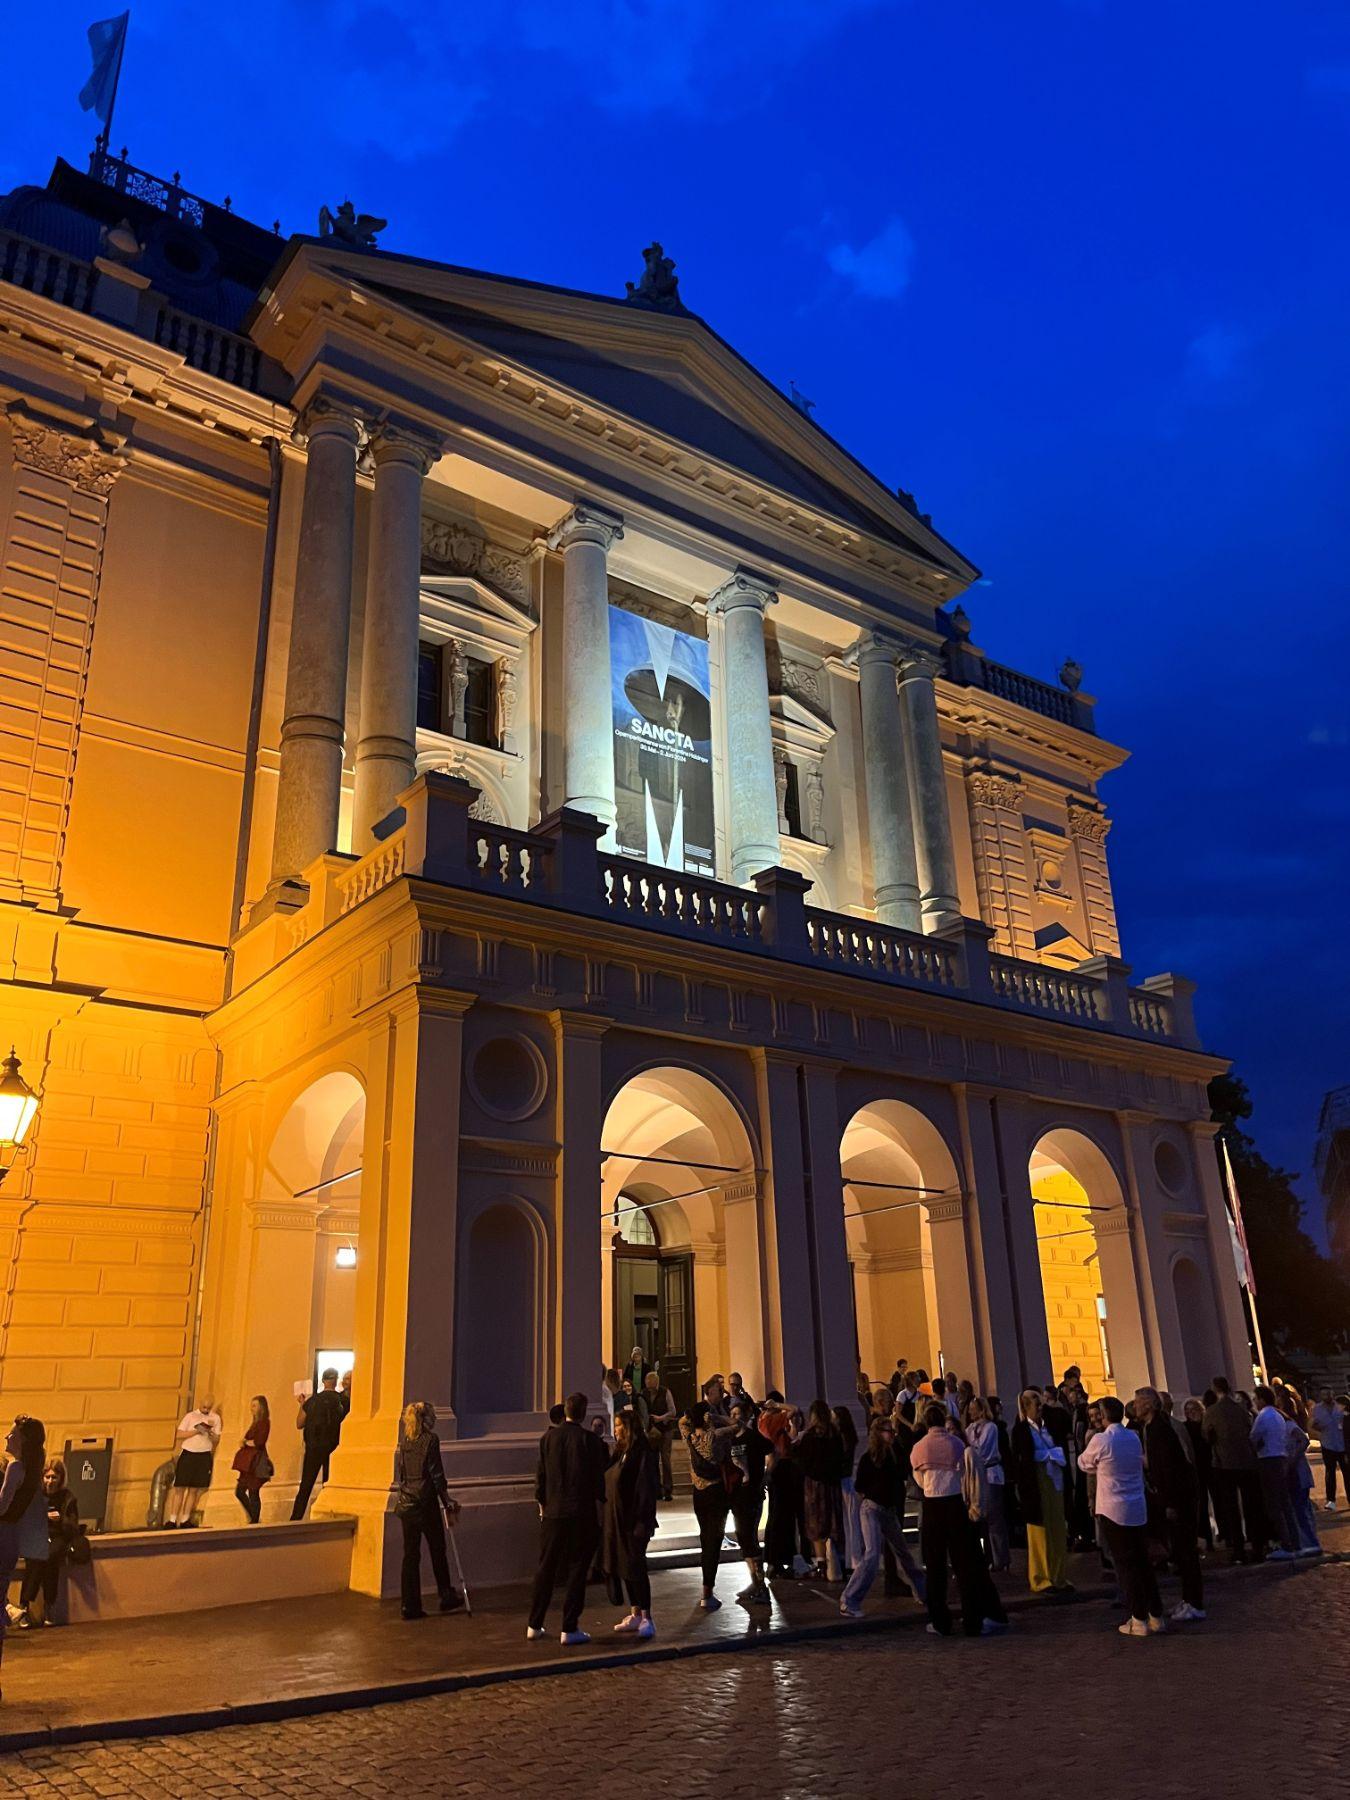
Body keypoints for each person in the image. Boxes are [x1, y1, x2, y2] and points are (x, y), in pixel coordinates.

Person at [909, 1404, 1007, 1637]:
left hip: (932, 1504)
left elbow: (919, 1479)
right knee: (965, 1565)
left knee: (935, 1566)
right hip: (955, 1504)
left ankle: (940, 1621)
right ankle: (972, 1619)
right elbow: (965, 1471)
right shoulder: (956, 1444)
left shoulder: (919, 1447)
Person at [527, 1391, 609, 1645]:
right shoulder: (589, 1441)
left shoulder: (548, 1438)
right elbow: (598, 1478)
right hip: (580, 1512)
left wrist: (542, 1502)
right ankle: (569, 1626)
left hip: (552, 1512)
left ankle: (535, 1622)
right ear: (583, 1413)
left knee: (546, 1568)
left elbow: (540, 1476)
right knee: (576, 1570)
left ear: (565, 1411)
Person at [1079, 1396, 1164, 1637]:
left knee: (1126, 1566)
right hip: (1137, 1507)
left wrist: (1100, 1466)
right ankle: (1156, 1614)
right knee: (1143, 1563)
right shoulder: (1133, 1437)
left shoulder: (1101, 1439)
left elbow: (1084, 1462)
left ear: (1104, 1416)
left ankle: (1138, 1618)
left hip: (1113, 1510)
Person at [839, 1417, 925, 1618]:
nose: (892, 1434)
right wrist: (873, 1494)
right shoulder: (870, 1457)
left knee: (904, 1553)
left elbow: (904, 1471)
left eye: (892, 1431)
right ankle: (849, 1600)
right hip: (873, 1507)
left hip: (889, 1509)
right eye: (888, 1431)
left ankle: (923, 1593)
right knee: (872, 1554)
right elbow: (860, 1485)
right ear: (878, 1433)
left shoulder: (896, 1454)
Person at [1134, 1387, 1204, 1621]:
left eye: (1138, 1402)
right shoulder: (1153, 1428)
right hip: (1174, 1496)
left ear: (1149, 1405)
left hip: (1178, 1498)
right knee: (1181, 1552)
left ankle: (1195, 1602)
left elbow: (1170, 1469)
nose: (1135, 1406)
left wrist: (1170, 1502)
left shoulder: (1160, 1430)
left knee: (1186, 1551)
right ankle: (1188, 1599)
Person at [394, 1400, 463, 1621]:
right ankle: (445, 1594)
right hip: (425, 1502)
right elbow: (436, 1474)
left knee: (410, 1555)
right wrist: (447, 1499)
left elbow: (402, 1474)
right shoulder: (430, 1441)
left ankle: (409, 1604)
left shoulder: (405, 1442)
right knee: (437, 1549)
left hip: (407, 1503)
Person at [0, 1416, 48, 1696]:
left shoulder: (17, 1467)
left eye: (13, 1434)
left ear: (23, 1441)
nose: (7, 1437)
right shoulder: (29, 1469)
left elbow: (3, 1505)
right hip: (10, 1538)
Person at [603, 1410, 660, 1637]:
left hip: (634, 1520)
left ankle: (647, 1616)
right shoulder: (620, 1452)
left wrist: (641, 1520)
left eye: (618, 1425)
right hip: (618, 1520)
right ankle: (635, 1612)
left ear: (628, 1428)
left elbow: (645, 1488)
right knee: (625, 1567)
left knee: (636, 1567)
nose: (615, 1429)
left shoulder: (641, 1452)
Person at [1010, 1388, 1071, 1594]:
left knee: (1057, 1529)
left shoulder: (1049, 1426)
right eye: (1035, 1404)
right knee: (1039, 1532)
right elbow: (1021, 1459)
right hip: (1035, 1485)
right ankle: (1041, 1578)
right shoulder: (1021, 1430)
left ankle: (1058, 1576)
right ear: (1026, 1407)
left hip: (1054, 1482)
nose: (1039, 1407)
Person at [1202, 1376, 1267, 1562]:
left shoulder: (1213, 1411)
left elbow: (1206, 1435)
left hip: (1225, 1464)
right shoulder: (1242, 1409)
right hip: (1247, 1462)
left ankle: (1238, 1548)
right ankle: (1257, 1546)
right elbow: (1250, 1431)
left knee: (1232, 1509)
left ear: (1215, 1389)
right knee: (1251, 1507)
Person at [8, 1457, 77, 1630]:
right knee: (39, 1557)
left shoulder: (67, 1498)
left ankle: (26, 1606)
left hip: (57, 1537)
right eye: (47, 1477)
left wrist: (61, 1520)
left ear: (61, 1478)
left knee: (47, 1556)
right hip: (37, 1535)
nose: (50, 1481)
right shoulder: (35, 1496)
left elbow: (72, 1527)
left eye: (54, 1477)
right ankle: (39, 1606)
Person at [794, 1401, 846, 1580]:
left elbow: (802, 1461)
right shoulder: (835, 1435)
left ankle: (822, 1563)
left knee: (816, 1524)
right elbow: (841, 1458)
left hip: (814, 1485)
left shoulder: (809, 1437)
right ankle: (834, 1561)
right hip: (832, 1483)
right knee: (831, 1522)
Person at [759, 1393, 805, 1578]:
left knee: (777, 1516)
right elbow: (794, 1409)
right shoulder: (774, 1420)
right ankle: (780, 1560)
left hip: (775, 1470)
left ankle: (774, 1561)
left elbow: (791, 1434)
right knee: (783, 1517)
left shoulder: (762, 1421)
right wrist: (779, 1405)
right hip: (783, 1468)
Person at [291, 1369, 346, 1521]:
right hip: (333, 1448)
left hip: (313, 1447)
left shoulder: (312, 1401)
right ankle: (329, 1515)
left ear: (323, 1381)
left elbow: (299, 1423)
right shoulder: (341, 1400)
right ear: (336, 1380)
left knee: (306, 1485)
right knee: (329, 1484)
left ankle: (295, 1518)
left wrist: (302, 1404)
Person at [1251, 1385, 1298, 1560]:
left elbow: (1253, 1438)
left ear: (1262, 1399)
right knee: (1285, 1504)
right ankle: (1294, 1541)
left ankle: (1286, 1544)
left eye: (1256, 1399)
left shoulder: (1263, 1416)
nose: (1255, 1402)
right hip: (1280, 1458)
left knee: (1275, 1505)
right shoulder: (1278, 1415)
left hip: (1269, 1460)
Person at [1274, 1391, 1321, 1557]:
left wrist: (1293, 1457)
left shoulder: (1289, 1425)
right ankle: (1307, 1542)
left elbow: (1304, 1440)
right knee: (1299, 1509)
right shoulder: (1286, 1424)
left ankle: (1311, 1543)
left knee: (1301, 1510)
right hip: (1295, 1472)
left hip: (1298, 1473)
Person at [965, 1398, 1009, 1572]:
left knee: (995, 1519)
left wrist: (973, 1452)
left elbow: (982, 1449)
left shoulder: (991, 1428)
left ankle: (1001, 1558)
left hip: (991, 1474)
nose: (970, 1412)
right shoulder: (969, 1429)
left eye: (973, 1409)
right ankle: (987, 1556)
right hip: (977, 1475)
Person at [165, 1396, 221, 1527]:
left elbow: (217, 1439)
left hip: (204, 1455)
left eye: (208, 1408)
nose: (206, 1409)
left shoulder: (215, 1418)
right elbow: (179, 1435)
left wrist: (210, 1433)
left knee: (194, 1489)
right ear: (200, 1404)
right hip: (188, 1453)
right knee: (180, 1488)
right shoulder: (190, 1416)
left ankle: (185, 1519)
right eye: (204, 1407)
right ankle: (172, 1520)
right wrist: (196, 1431)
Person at [230, 1395, 271, 1525]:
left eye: (254, 1406)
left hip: (256, 1462)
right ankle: (254, 1517)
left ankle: (254, 1520)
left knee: (253, 1491)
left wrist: (245, 1442)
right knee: (241, 1491)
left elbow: (259, 1441)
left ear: (261, 1408)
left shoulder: (264, 1422)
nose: (251, 1409)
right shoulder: (256, 1422)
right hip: (249, 1463)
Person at [1182, 1399, 1216, 1549]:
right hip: (1197, 1470)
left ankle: (1225, 1533)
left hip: (1212, 1467)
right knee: (1201, 1505)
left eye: (1194, 1409)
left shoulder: (1208, 1425)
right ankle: (1206, 1537)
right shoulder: (1185, 1427)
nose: (1191, 1413)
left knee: (1219, 1501)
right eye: (1188, 1411)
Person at [832, 1405, 861, 1574]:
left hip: (843, 1480)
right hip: (845, 1479)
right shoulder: (849, 1436)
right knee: (849, 1521)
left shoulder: (842, 1438)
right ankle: (851, 1557)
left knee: (848, 1521)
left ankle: (851, 1558)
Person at [1309, 1389, 1348, 1510]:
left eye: (1330, 1393)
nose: (1328, 1396)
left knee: (1347, 1473)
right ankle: (1331, 1500)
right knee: (1330, 1473)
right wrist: (1317, 1431)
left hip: (1342, 1444)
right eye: (1325, 1394)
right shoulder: (1317, 1409)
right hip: (1328, 1444)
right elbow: (1312, 1424)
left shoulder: (1340, 1406)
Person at [643, 1372, 679, 1500]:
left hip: (665, 1430)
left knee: (665, 1459)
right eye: (647, 1382)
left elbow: (672, 1411)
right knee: (652, 1460)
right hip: (651, 1431)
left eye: (650, 1382)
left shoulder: (665, 1392)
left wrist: (661, 1418)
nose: (648, 1385)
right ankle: (656, 1489)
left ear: (655, 1382)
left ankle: (668, 1489)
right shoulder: (644, 1393)